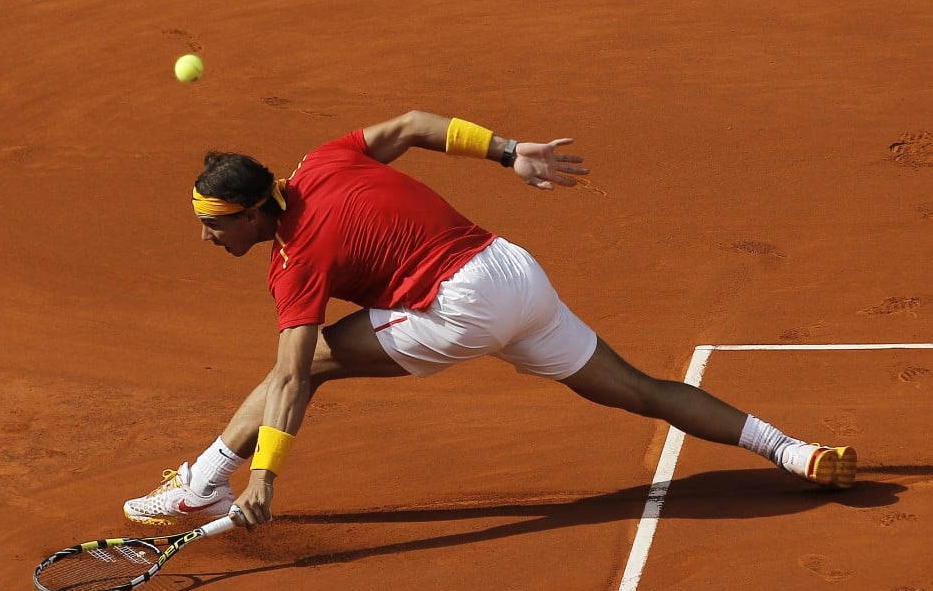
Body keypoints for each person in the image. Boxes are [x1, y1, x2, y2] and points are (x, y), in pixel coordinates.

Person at [123, 110, 857, 528]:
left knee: (304, 366)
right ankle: (794, 450)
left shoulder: (295, 262)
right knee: (637, 387)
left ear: (255, 213)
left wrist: (268, 478)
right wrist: (509, 153)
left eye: (215, 224)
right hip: (514, 274)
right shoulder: (323, 161)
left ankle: (206, 482)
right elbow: (411, 123)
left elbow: (289, 376)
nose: (207, 237)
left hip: (461, 307)